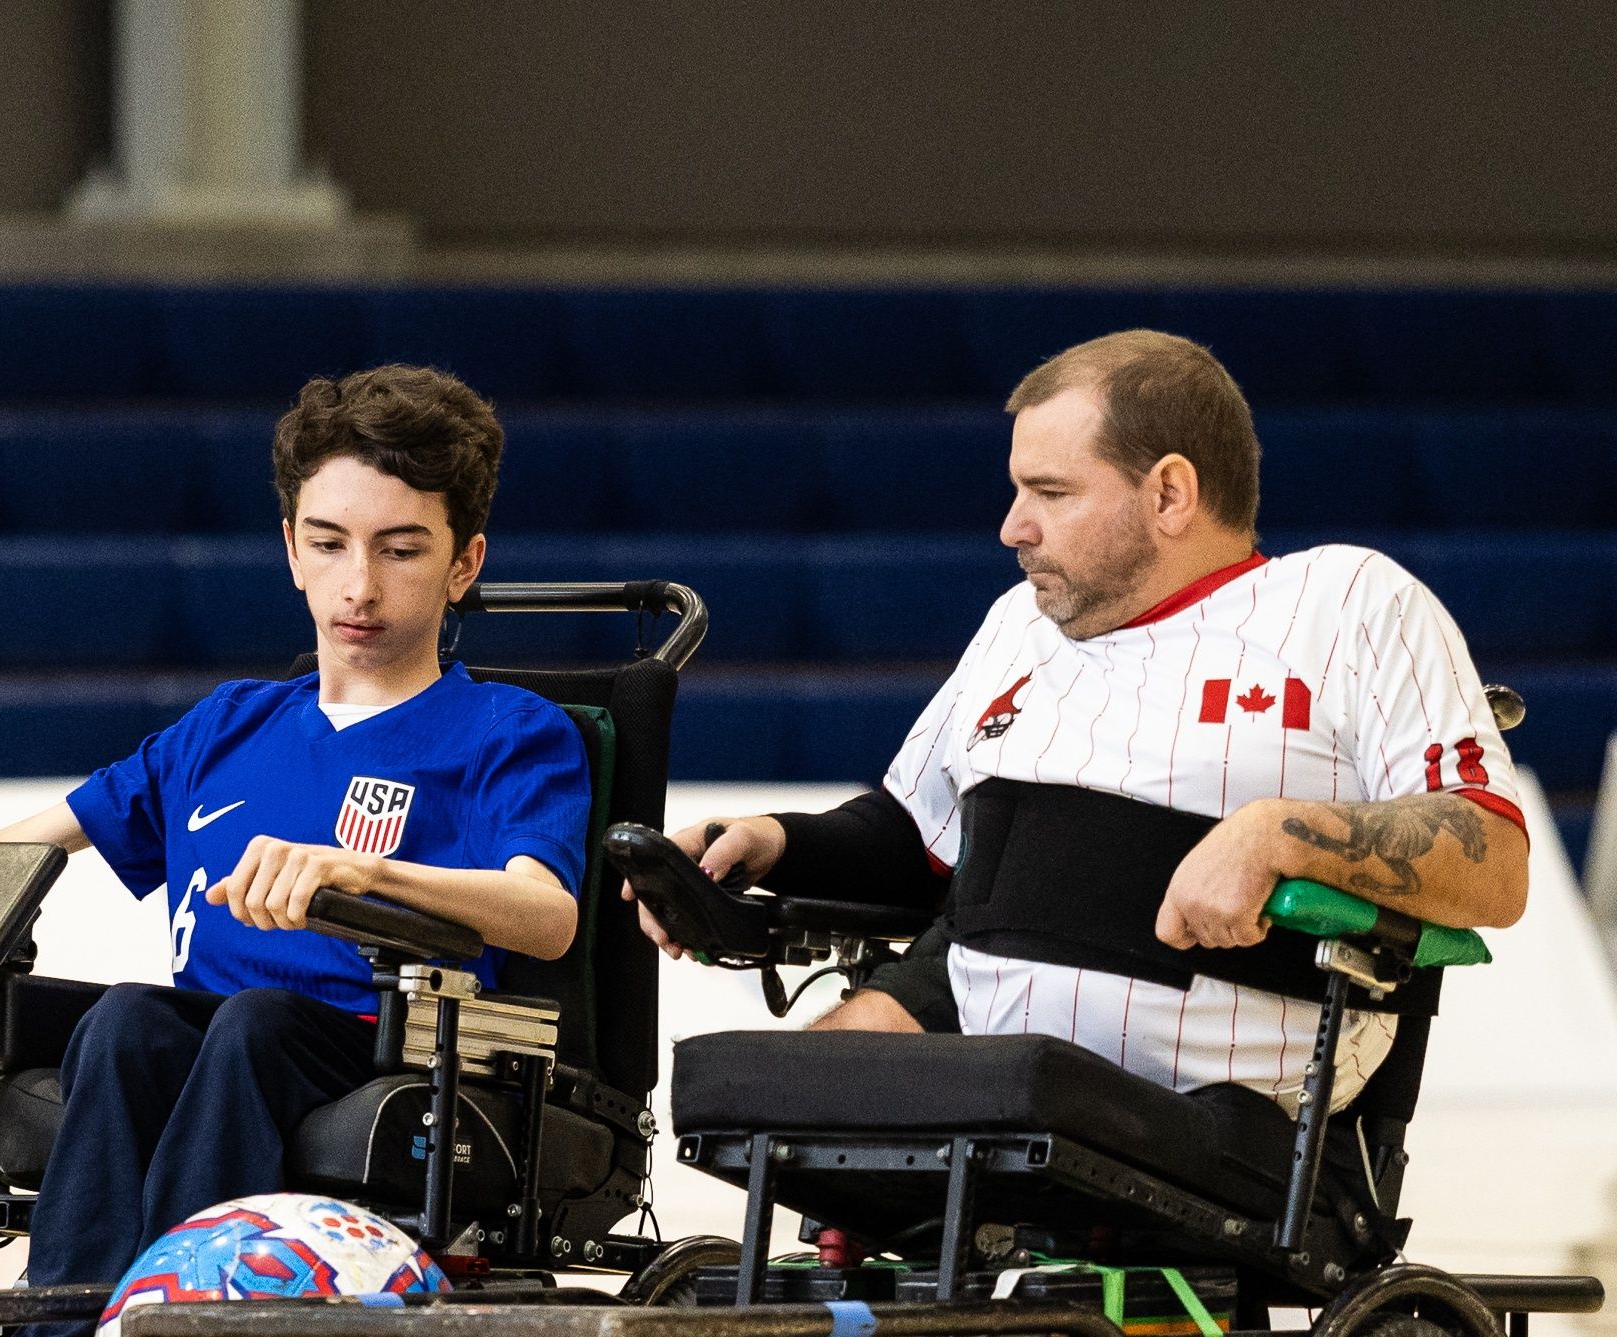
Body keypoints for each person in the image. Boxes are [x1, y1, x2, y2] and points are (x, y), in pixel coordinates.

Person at [0, 363, 591, 1337]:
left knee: (253, 1020)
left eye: (402, 550)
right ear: (290, 547)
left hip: (386, 1050)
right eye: (330, 543)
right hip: (217, 1038)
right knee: (119, 1021)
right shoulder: (230, 726)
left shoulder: (509, 732)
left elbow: (546, 916)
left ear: (464, 563)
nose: (359, 586)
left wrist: (361, 874)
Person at [634, 329, 1528, 1123]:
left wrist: (1276, 834)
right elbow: (920, 839)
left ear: (1170, 493)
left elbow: (1493, 857)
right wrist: (763, 842)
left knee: (965, 1092)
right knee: (757, 1102)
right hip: (988, 1053)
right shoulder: (1019, 625)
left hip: (1221, 1100)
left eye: (1050, 492)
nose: (1011, 526)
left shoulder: (1346, 602)